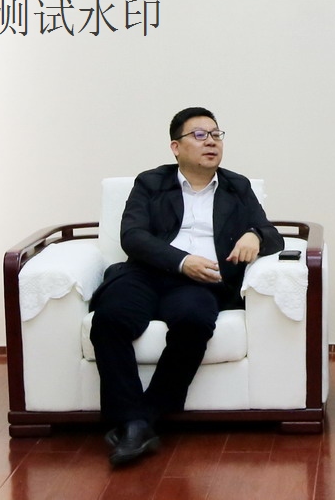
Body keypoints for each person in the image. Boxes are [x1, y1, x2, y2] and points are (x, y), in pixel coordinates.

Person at [89, 107, 284, 466]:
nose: (211, 141)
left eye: (216, 134)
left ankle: (140, 420)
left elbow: (273, 234)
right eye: (199, 135)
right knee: (109, 319)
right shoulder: (150, 182)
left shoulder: (237, 186)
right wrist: (181, 260)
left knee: (194, 321)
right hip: (145, 273)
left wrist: (255, 235)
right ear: (176, 147)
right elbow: (132, 235)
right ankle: (134, 421)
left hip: (202, 280)